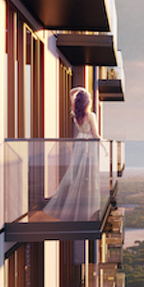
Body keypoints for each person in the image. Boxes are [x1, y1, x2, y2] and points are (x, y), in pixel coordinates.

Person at [43, 86, 102, 220]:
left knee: (77, 173)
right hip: (88, 146)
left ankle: (76, 201)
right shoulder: (91, 115)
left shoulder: (76, 114)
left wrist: (82, 90)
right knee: (88, 173)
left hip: (79, 143)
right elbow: (96, 134)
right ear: (87, 102)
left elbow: (71, 93)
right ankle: (87, 205)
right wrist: (103, 144)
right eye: (90, 99)